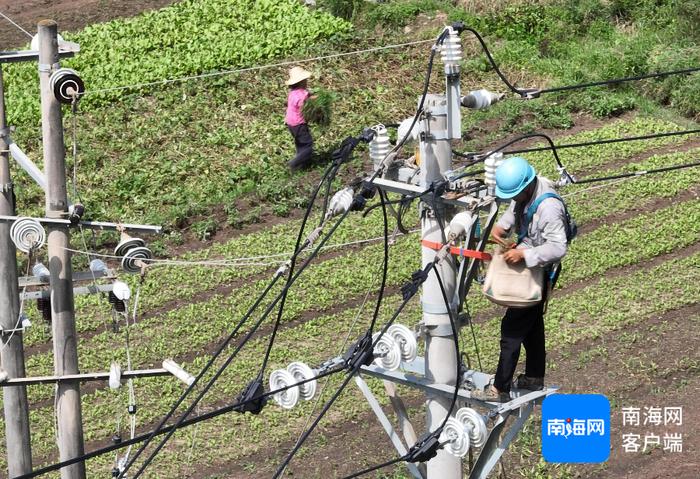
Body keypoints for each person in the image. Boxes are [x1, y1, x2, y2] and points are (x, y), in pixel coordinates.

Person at [477, 156, 569, 402]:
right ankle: (534, 377)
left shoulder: (549, 207)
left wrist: (524, 254)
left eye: (516, 194)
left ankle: (500, 388)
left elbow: (559, 247)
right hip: (529, 263)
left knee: (512, 329)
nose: (514, 199)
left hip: (538, 270)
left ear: (527, 185)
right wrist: (500, 229)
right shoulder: (526, 191)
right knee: (532, 325)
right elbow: (513, 213)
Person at [285, 66, 315, 171]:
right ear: (301, 82)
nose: (306, 82)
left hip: (290, 123)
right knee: (308, 145)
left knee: (300, 143)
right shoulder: (302, 95)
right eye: (305, 80)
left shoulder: (292, 93)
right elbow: (305, 104)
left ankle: (302, 166)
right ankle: (294, 163)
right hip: (299, 123)